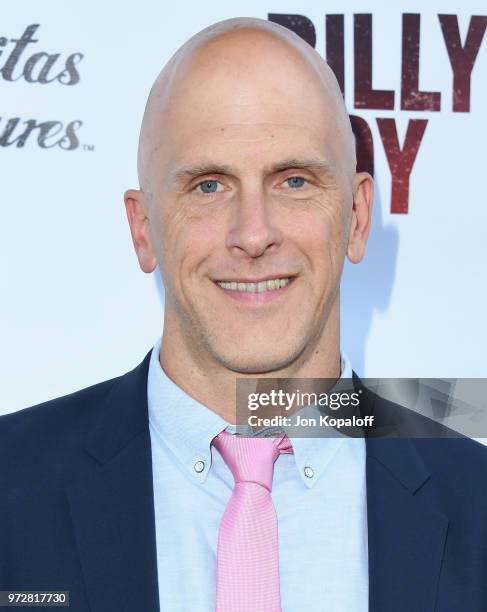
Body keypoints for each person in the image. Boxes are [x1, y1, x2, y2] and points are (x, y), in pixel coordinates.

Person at [1, 16, 486, 612]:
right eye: (209, 186)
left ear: (358, 217)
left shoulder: (478, 502)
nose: (253, 234)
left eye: (294, 180)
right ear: (143, 227)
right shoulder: (9, 489)